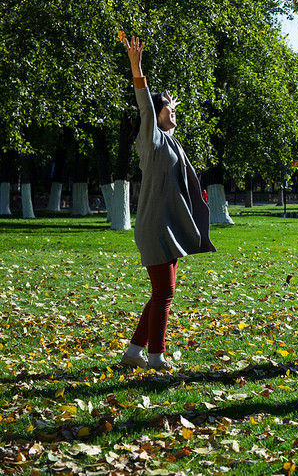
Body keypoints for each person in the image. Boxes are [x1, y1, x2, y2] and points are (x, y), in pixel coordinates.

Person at [120, 35, 216, 372]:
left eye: (174, 109)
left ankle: (134, 353)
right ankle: (157, 358)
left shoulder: (171, 143)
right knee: (164, 295)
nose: (173, 112)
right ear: (156, 113)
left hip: (168, 229)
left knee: (160, 293)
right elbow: (145, 105)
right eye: (169, 108)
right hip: (154, 229)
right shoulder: (151, 139)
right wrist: (137, 67)